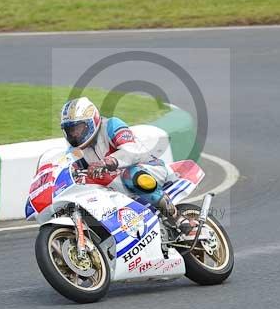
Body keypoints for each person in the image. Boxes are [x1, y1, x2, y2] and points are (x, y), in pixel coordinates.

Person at [60, 97, 188, 230]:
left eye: (78, 128)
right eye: (70, 131)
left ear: (91, 121)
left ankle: (177, 217)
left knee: (131, 175)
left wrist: (108, 161)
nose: (75, 134)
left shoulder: (111, 125)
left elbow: (131, 151)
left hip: (149, 168)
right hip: (116, 186)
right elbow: (67, 165)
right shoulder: (76, 149)